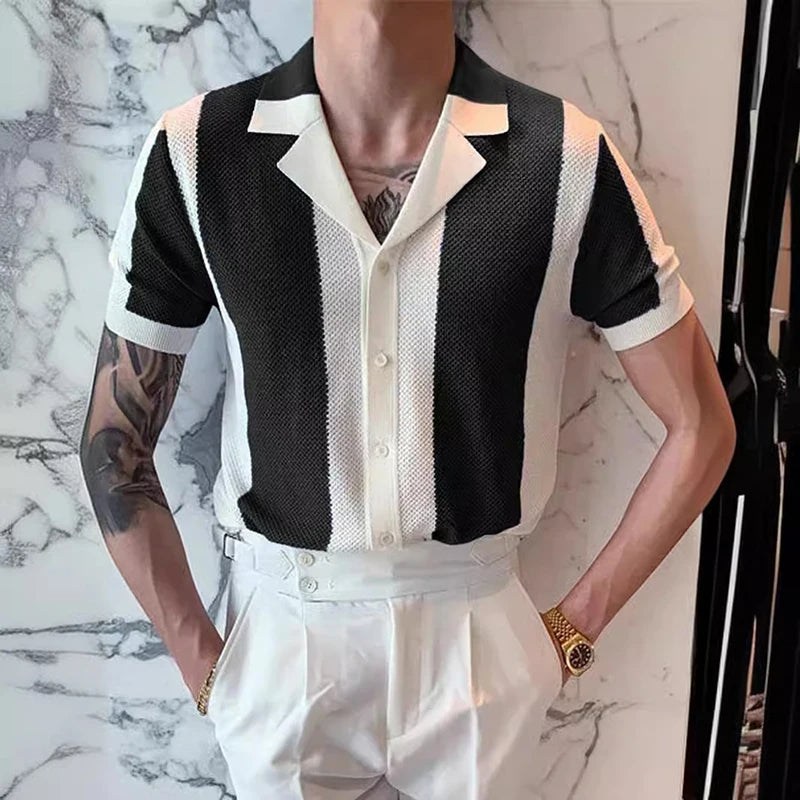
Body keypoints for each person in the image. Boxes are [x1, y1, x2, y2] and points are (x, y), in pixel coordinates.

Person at [79, 1, 737, 798]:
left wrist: (569, 635)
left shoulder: (564, 159)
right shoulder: (197, 154)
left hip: (477, 631)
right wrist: (208, 671)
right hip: (285, 632)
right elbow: (114, 444)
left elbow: (701, 426)